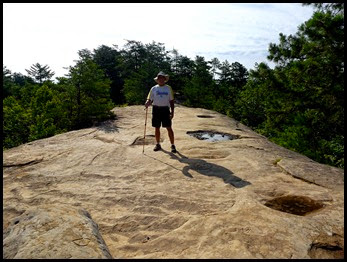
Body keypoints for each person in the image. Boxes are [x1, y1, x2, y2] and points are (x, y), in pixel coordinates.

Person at [145, 71, 177, 153]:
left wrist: (172, 112)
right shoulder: (154, 88)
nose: (160, 79)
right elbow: (149, 98)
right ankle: (158, 144)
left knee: (169, 127)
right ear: (157, 79)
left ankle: (172, 145)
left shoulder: (168, 88)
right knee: (157, 127)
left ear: (164, 79)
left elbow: (172, 101)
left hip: (165, 109)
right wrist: (147, 102)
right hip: (156, 109)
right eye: (159, 78)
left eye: (162, 78)